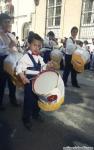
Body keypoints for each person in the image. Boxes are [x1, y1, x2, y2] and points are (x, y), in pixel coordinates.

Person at [16, 33, 54, 130]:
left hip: (39, 82)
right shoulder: (26, 57)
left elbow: (43, 67)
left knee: (38, 99)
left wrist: (48, 65)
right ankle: (26, 119)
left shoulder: (40, 57)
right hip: (29, 82)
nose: (37, 48)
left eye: (39, 46)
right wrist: (23, 77)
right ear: (29, 44)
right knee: (29, 101)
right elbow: (19, 67)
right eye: (34, 45)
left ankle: (36, 114)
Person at [0, 13, 19, 110]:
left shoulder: (10, 34)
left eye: (9, 22)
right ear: (1, 23)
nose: (8, 24)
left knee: (12, 81)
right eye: (5, 22)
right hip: (2, 61)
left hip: (12, 60)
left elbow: (15, 47)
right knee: (1, 83)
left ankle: (13, 99)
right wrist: (9, 46)